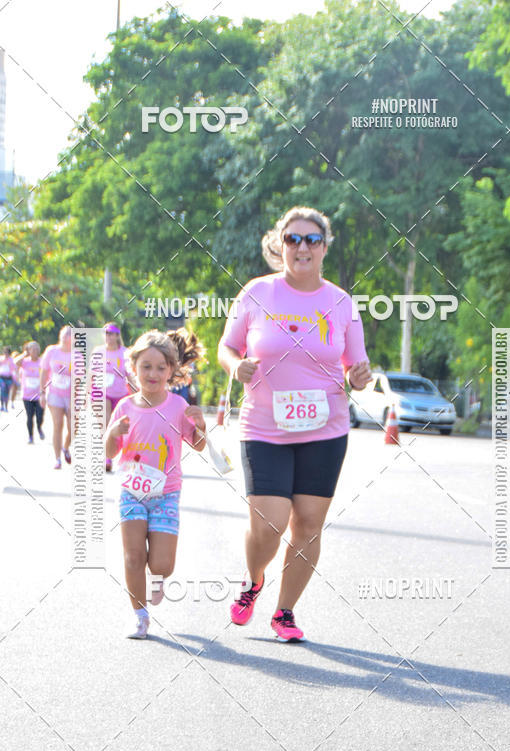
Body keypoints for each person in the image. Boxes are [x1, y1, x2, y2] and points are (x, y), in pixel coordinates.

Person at [218, 206, 371, 642]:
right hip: (264, 426)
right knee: (269, 522)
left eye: (311, 239)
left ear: (324, 247)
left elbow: (355, 365)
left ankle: (285, 612)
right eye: (292, 239)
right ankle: (253, 581)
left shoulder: (341, 302)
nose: (301, 247)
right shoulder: (255, 293)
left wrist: (357, 376)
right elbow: (226, 348)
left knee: (306, 523)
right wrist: (237, 366)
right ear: (279, 245)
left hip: (325, 429)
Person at [105, 328, 206, 640]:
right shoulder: (124, 407)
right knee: (133, 557)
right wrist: (112, 435)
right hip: (132, 491)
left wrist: (200, 425)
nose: (153, 373)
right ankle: (139, 616)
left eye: (161, 367)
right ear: (133, 368)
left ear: (171, 371)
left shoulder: (177, 406)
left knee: (162, 564)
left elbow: (199, 445)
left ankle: (157, 579)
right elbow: (109, 453)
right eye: (146, 366)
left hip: (166, 493)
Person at [90, 322, 135, 471]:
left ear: (117, 335)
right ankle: (107, 458)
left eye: (111, 333)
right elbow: (91, 374)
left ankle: (118, 454)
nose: (108, 337)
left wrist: (138, 393)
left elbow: (130, 375)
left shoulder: (124, 353)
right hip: (100, 392)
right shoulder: (98, 351)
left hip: (120, 393)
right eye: (106, 333)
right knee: (105, 424)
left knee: (118, 426)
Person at [40, 326, 74, 469]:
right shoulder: (51, 351)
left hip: (71, 395)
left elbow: (79, 378)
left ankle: (65, 447)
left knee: (73, 427)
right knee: (57, 424)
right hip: (54, 394)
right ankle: (57, 459)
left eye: (70, 334)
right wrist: (42, 392)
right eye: (65, 333)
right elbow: (44, 371)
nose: (67, 336)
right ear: (60, 336)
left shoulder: (77, 355)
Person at [17, 341, 45, 443]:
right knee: (29, 416)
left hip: (39, 395)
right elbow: (16, 362)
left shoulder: (42, 362)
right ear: (29, 351)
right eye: (32, 349)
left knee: (40, 416)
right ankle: (31, 436)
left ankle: (39, 427)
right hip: (27, 395)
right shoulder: (25, 362)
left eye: (37, 349)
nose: (35, 351)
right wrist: (24, 354)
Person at [0, 347, 17, 412]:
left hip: (8, 378)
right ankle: (1, 406)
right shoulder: (1, 359)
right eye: (5, 352)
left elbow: (13, 369)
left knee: (7, 392)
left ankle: (6, 407)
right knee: (2, 390)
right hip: (1, 377)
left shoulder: (11, 360)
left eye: (7, 353)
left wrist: (15, 378)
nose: (6, 354)